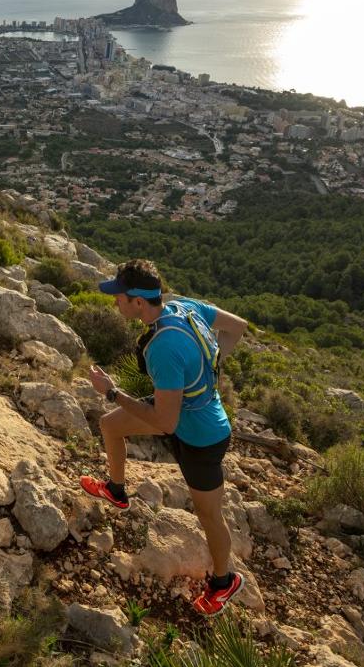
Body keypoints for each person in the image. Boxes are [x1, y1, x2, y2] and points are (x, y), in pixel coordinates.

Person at [78, 259, 250, 616]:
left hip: (201, 438)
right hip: (181, 411)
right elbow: (237, 327)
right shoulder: (183, 306)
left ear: (139, 302)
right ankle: (116, 488)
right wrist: (210, 366)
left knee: (209, 516)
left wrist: (111, 392)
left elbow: (165, 423)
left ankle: (224, 582)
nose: (115, 303)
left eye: (120, 297)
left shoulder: (162, 349)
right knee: (112, 426)